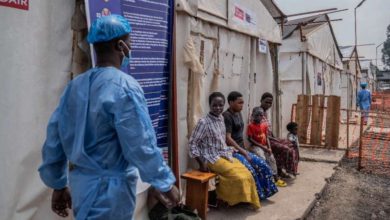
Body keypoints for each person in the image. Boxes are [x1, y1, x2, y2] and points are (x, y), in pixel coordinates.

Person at [38, 15, 179, 220]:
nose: (131, 47)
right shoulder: (125, 87)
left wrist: (58, 184)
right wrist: (164, 183)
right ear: (120, 45)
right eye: (129, 41)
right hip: (111, 194)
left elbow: (54, 139)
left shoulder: (75, 86)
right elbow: (140, 145)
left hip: (82, 187)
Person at [188, 92, 261, 209]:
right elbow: (192, 144)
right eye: (214, 105)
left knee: (247, 172)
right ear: (209, 105)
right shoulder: (203, 122)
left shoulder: (221, 118)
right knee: (237, 177)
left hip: (224, 153)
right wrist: (201, 163)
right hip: (211, 158)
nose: (218, 108)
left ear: (224, 105)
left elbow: (222, 141)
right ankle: (229, 199)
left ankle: (243, 199)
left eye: (220, 105)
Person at [223, 91, 278, 200]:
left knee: (263, 165)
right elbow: (228, 139)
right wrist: (243, 152)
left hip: (241, 148)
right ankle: (255, 196)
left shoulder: (238, 113)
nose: (242, 105)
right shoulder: (227, 116)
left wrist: (244, 150)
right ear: (231, 102)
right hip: (233, 151)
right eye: (240, 103)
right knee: (251, 170)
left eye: (242, 103)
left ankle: (266, 192)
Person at [252, 92, 298, 177]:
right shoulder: (258, 113)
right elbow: (260, 133)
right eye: (266, 102)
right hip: (264, 141)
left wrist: (275, 137)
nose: (268, 104)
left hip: (270, 138)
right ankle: (282, 170)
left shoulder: (267, 113)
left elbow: (268, 129)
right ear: (261, 101)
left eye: (270, 103)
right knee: (285, 149)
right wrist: (273, 139)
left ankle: (282, 170)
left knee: (292, 144)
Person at [247, 110, 287, 187]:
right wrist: (263, 148)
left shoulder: (264, 125)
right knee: (262, 158)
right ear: (253, 116)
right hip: (256, 146)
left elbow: (267, 137)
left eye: (261, 115)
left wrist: (269, 148)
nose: (259, 117)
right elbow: (250, 139)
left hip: (265, 146)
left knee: (271, 158)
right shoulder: (250, 126)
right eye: (257, 115)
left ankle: (275, 178)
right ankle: (267, 178)